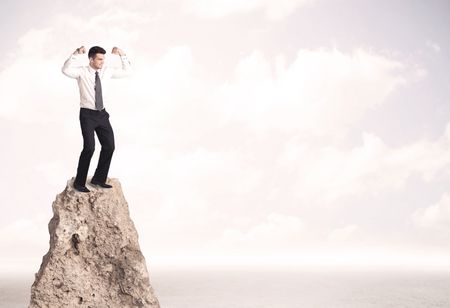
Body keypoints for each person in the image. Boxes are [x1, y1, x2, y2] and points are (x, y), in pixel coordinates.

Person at [62, 45, 132, 193]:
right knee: (89, 148)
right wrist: (75, 54)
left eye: (103, 59)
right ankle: (79, 183)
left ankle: (99, 179)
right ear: (91, 59)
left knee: (109, 146)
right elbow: (65, 70)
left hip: (102, 114)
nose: (102, 62)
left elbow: (128, 71)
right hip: (87, 115)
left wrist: (121, 54)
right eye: (99, 59)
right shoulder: (81, 72)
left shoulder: (107, 71)